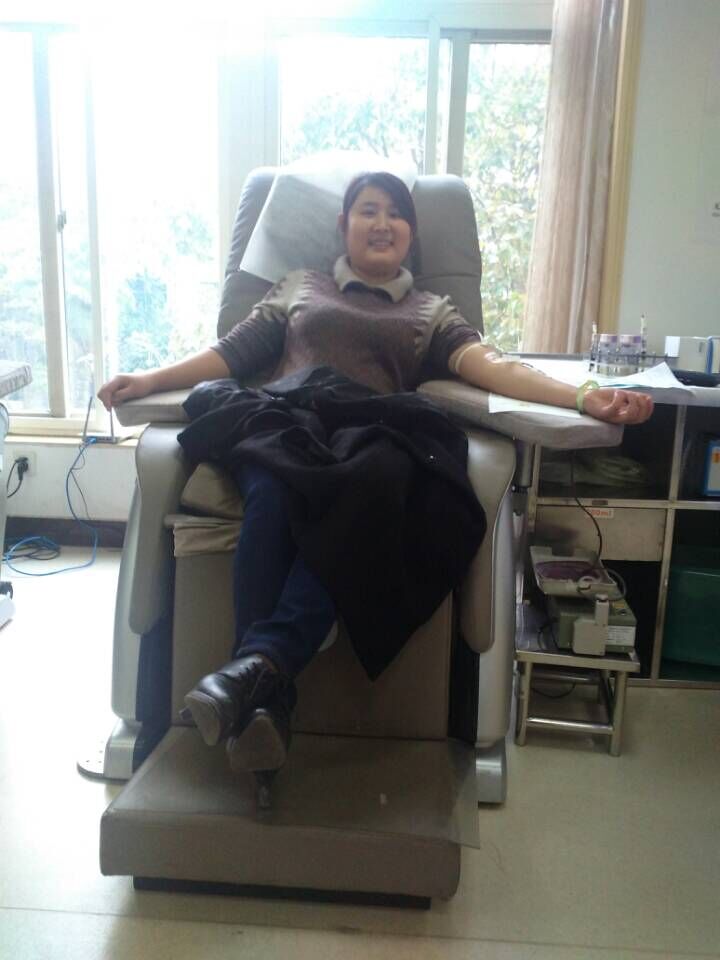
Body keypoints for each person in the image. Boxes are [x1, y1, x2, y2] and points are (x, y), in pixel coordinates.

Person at [98, 171, 653, 785]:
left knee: (382, 474)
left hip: (365, 436)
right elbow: (230, 353)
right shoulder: (300, 286)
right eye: (368, 209)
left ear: (410, 235)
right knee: (272, 492)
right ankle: (262, 688)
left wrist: (584, 395)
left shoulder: (430, 311)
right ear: (344, 226)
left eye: (395, 213)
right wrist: (149, 380)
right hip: (286, 422)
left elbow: (495, 368)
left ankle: (255, 679)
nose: (382, 222)